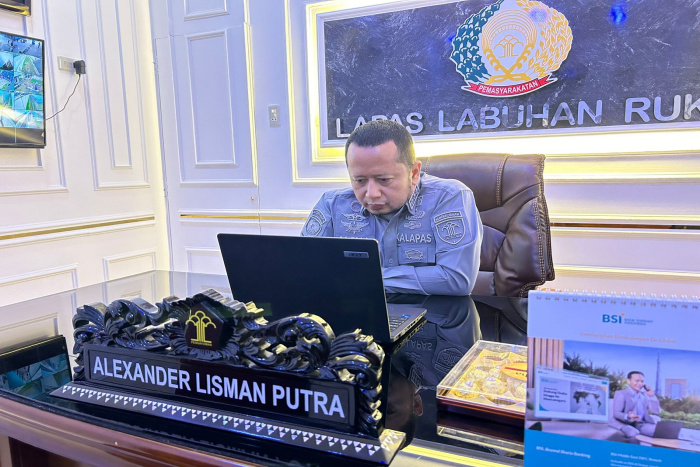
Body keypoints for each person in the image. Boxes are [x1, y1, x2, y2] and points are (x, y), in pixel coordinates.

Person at [301, 120, 483, 295]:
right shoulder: (332, 204)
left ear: (414, 173)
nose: (371, 193)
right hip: (357, 312)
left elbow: (456, 279)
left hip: (434, 315)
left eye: (383, 180)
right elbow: (304, 269)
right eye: (360, 180)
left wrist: (364, 278)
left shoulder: (449, 197)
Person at [610, 371, 660, 439]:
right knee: (634, 433)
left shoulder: (644, 395)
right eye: (637, 381)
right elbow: (616, 413)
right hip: (624, 423)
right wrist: (628, 416)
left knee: (659, 431)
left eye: (642, 381)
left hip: (640, 424)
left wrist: (652, 396)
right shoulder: (621, 393)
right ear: (628, 381)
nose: (640, 383)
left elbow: (656, 411)